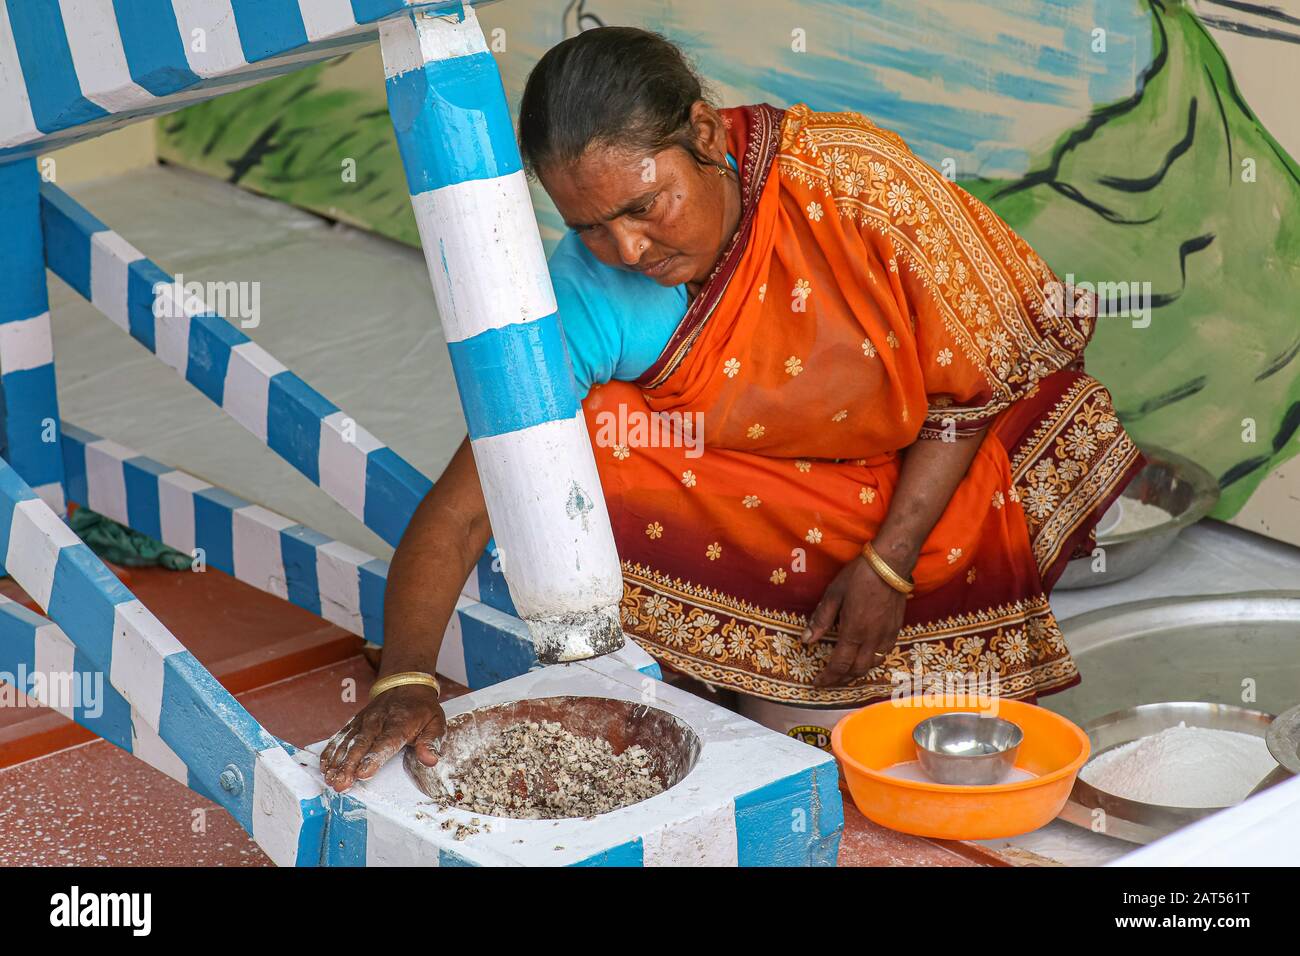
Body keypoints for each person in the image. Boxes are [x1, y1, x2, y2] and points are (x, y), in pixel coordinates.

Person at [320, 27, 1144, 792]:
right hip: (777, 500)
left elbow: (979, 368)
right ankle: (735, 666)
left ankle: (867, 640)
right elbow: (474, 502)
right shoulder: (585, 291)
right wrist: (405, 676)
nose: (628, 252)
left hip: (941, 456)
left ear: (706, 136)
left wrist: (890, 566)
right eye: (591, 227)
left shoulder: (850, 181)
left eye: (645, 207)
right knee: (592, 443)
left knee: (1004, 391)